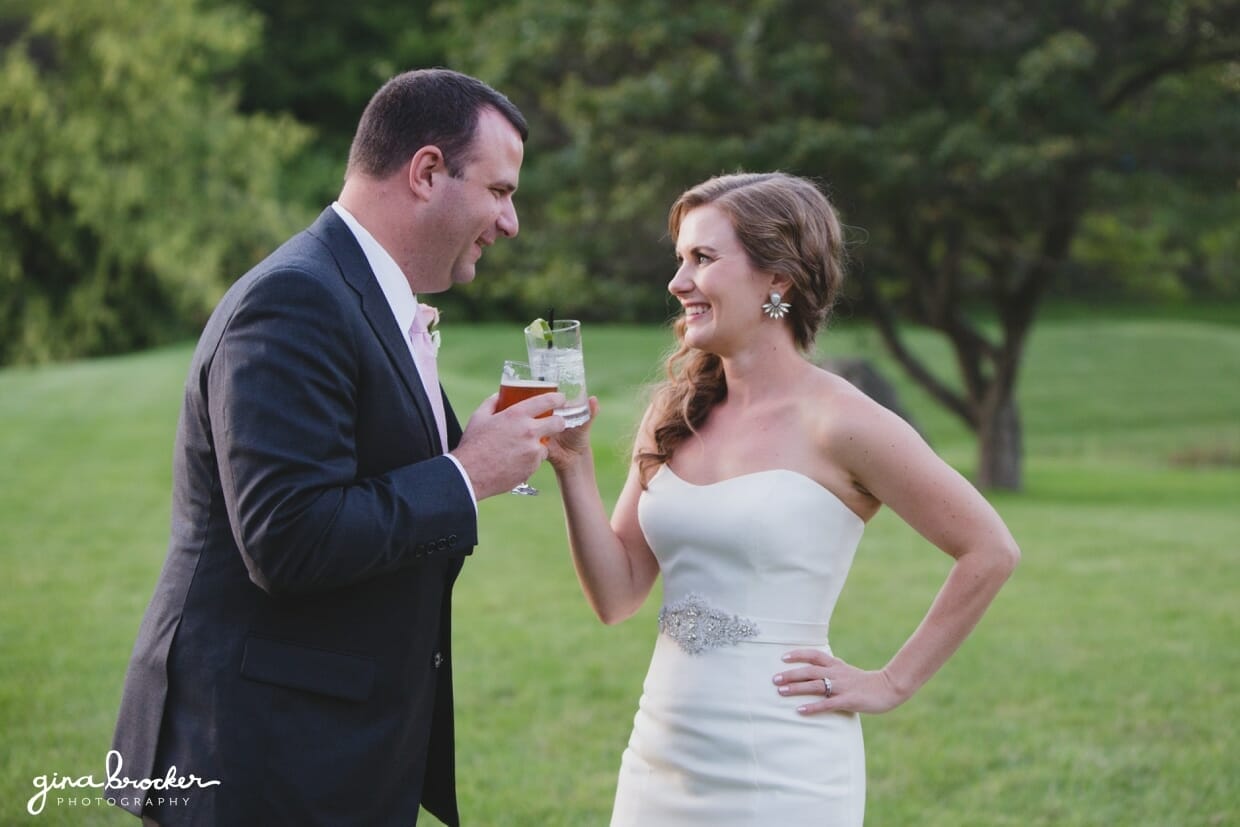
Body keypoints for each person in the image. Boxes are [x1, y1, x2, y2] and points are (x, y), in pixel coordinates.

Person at [108, 69, 566, 826]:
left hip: (331, 744)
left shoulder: (359, 294)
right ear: (426, 172)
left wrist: (470, 442)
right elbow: (288, 538)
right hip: (262, 758)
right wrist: (465, 473)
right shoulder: (295, 299)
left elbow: (364, 465)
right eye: (499, 190)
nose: (510, 221)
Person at [547, 172, 1020, 825]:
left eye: (702, 258)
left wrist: (891, 682)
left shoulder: (842, 422)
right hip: (659, 759)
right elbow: (616, 595)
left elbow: (989, 549)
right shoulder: (673, 415)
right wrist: (572, 464)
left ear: (779, 279)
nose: (678, 282)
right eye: (680, 259)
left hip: (784, 766)